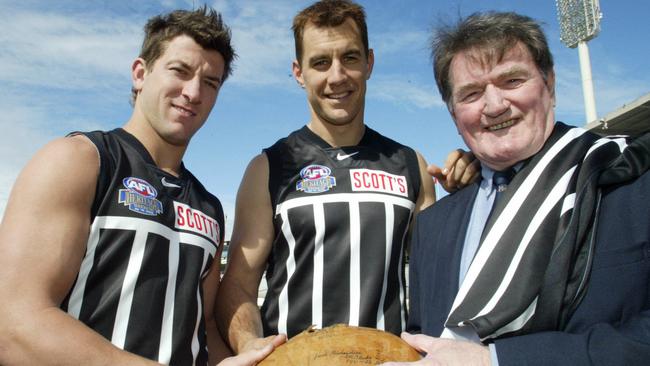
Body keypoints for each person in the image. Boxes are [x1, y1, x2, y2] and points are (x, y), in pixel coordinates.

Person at [0, 6, 281, 366]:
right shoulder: (79, 160)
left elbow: (204, 326)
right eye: (180, 71)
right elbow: (13, 322)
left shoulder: (208, 207)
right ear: (140, 73)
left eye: (210, 83)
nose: (193, 92)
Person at [386, 11, 650, 366]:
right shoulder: (434, 227)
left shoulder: (633, 179)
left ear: (550, 85)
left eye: (512, 81)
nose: (494, 106)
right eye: (472, 93)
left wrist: (496, 360)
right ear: (453, 114)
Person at [215, 0, 478, 355]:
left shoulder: (410, 164)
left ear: (369, 62)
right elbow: (239, 287)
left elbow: (441, 280)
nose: (336, 76)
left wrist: (470, 194)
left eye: (350, 58)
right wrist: (251, 345)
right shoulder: (268, 167)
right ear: (299, 72)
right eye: (320, 62)